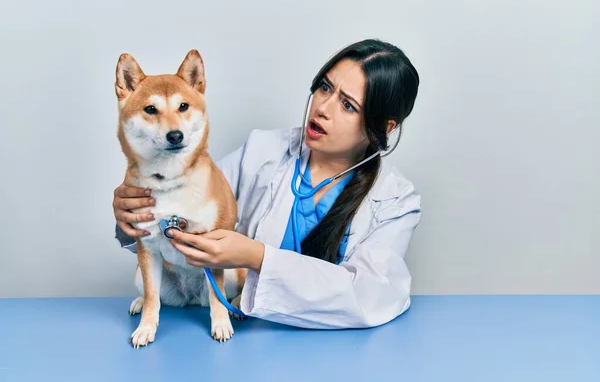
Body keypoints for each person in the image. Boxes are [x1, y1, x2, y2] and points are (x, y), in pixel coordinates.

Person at [112, 38, 421, 329]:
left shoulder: (396, 201)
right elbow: (179, 218)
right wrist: (131, 213)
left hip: (346, 349)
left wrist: (257, 257)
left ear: (383, 126)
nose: (323, 107)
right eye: (325, 87)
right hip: (248, 337)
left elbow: (371, 296)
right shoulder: (262, 151)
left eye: (348, 105)